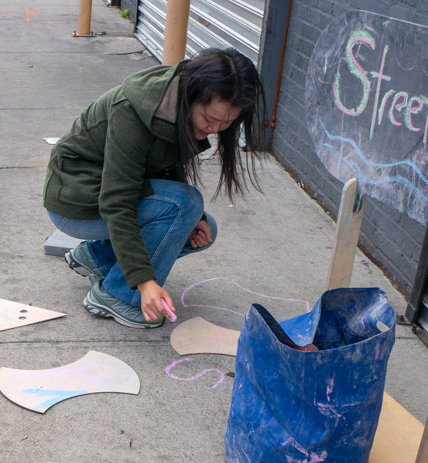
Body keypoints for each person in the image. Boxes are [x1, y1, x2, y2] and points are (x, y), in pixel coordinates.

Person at [44, 47, 266, 328]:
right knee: (184, 205)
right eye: (210, 118)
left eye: (228, 122)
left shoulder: (175, 102)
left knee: (201, 226)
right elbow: (117, 201)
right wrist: (144, 283)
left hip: (100, 195)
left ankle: (98, 257)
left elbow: (161, 166)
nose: (216, 129)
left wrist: (193, 220)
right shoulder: (133, 111)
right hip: (75, 201)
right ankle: (117, 295)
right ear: (191, 95)